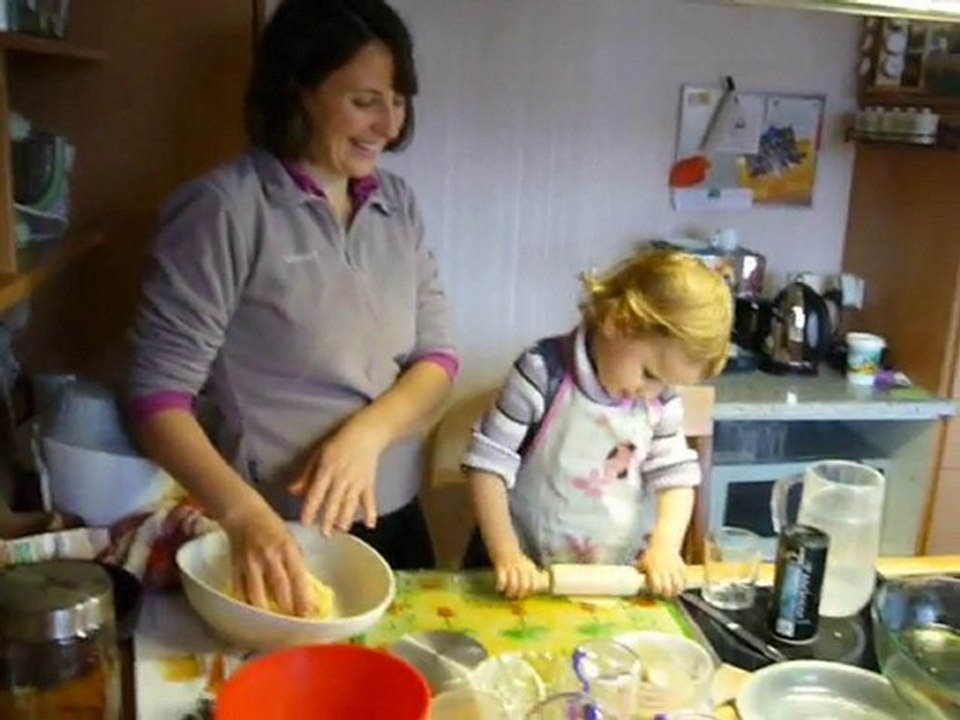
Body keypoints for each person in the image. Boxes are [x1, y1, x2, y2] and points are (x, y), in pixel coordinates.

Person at [126, 0, 456, 617]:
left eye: (399, 99)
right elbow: (156, 400)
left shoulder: (398, 204)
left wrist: (364, 437)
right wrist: (242, 513)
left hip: (399, 521)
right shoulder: (224, 210)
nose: (387, 124)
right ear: (300, 91)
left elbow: (437, 362)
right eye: (364, 100)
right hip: (273, 534)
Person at [462, 250, 731, 599]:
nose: (650, 392)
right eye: (649, 373)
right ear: (618, 323)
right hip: (525, 577)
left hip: (613, 579)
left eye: (665, 384)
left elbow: (676, 478)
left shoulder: (660, 401)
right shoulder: (542, 375)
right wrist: (507, 555)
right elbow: (487, 467)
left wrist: (665, 548)